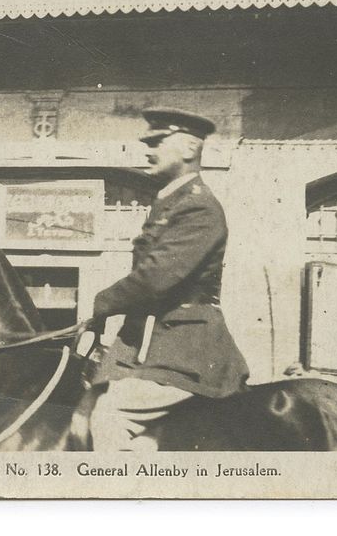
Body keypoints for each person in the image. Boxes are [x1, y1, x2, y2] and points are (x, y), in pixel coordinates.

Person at [89, 107, 250, 451]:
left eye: (159, 141)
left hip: (187, 349)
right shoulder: (169, 203)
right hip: (151, 344)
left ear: (190, 149)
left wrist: (100, 304)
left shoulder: (199, 208)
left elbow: (155, 278)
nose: (148, 149)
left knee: (110, 415)